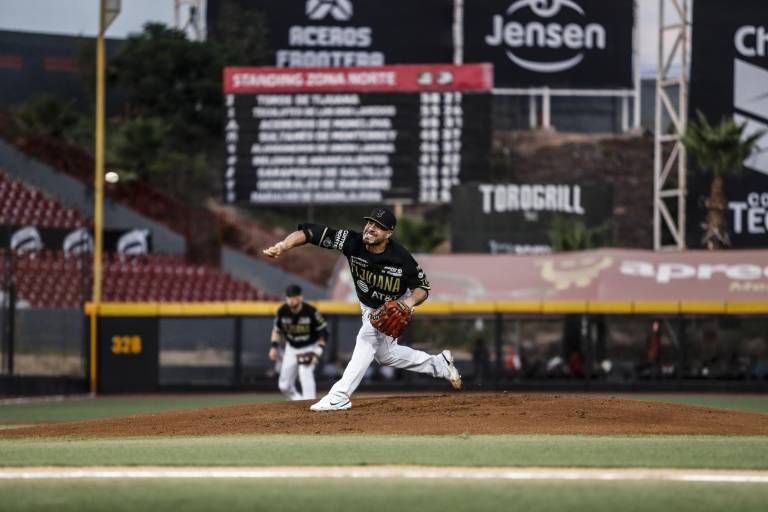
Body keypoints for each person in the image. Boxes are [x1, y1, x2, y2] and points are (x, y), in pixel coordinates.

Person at [263, 207, 462, 411]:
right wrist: (283, 245)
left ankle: (340, 395)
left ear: (389, 233)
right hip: (368, 304)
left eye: (379, 226)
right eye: (370, 223)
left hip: (393, 305)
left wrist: (409, 303)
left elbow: (422, 288)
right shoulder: (352, 241)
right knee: (385, 355)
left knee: (367, 336)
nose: (371, 228)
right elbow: (310, 233)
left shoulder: (401, 257)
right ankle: (439, 364)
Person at [269, 284, 328, 401]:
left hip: (309, 347)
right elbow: (276, 331)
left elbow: (324, 333)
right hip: (291, 348)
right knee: (284, 386)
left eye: (294, 297)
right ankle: (299, 402)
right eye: (289, 297)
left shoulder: (310, 311)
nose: (291, 300)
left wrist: (318, 351)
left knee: (305, 372)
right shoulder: (282, 311)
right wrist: (274, 347)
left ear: (301, 297)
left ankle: (310, 402)